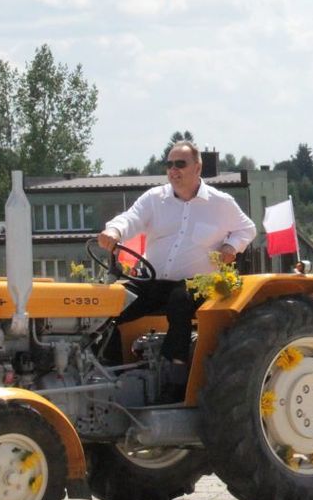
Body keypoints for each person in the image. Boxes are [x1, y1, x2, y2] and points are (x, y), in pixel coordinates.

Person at [98, 140, 256, 402]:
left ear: (197, 167)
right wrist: (114, 231)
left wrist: (231, 246)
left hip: (196, 284)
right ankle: (110, 376)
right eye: (169, 164)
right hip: (154, 280)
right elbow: (130, 219)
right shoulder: (154, 199)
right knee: (110, 303)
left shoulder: (220, 203)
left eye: (180, 164)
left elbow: (247, 229)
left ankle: (176, 380)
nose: (173, 170)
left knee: (180, 300)